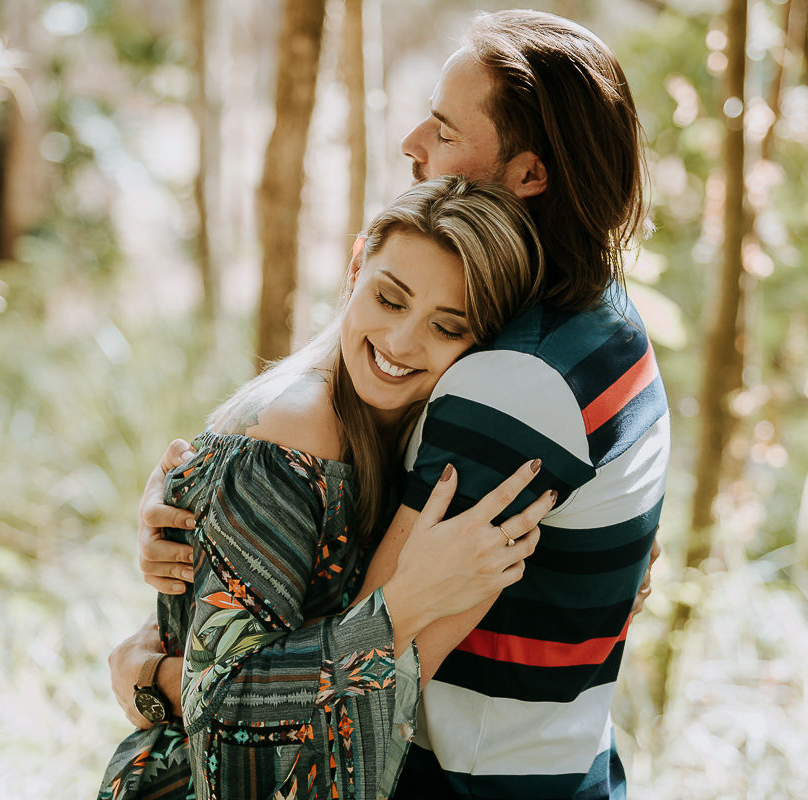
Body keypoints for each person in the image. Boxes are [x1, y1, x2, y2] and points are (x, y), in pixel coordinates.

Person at [123, 9, 670, 799]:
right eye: (388, 297)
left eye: (445, 130)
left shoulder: (511, 383)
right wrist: (213, 514)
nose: (413, 142)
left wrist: (155, 676)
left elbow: (359, 693)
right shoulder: (604, 321)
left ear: (529, 175)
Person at [99, 176, 558, 800]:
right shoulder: (295, 433)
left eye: (447, 327)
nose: (400, 343)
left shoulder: (407, 429)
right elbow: (223, 711)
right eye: (390, 300)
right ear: (355, 266)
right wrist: (401, 606)